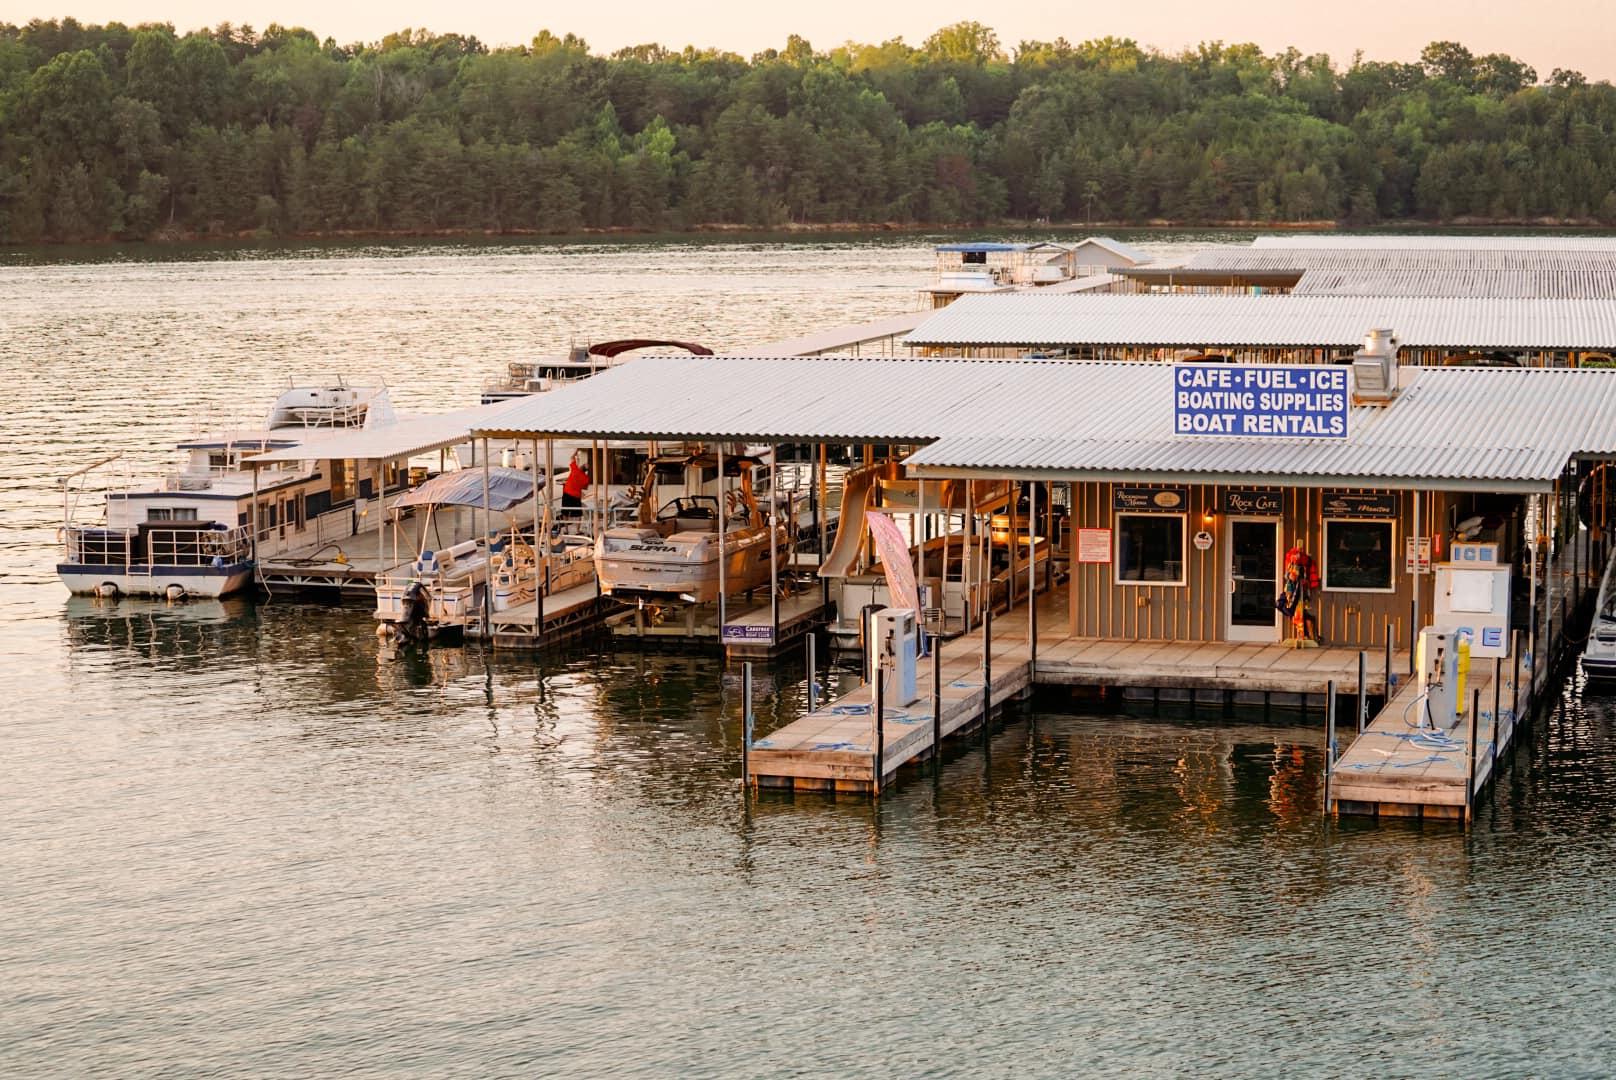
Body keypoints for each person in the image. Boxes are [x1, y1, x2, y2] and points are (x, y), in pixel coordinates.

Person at [561, 453, 591, 521]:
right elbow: (585, 488)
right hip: (576, 495)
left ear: (581, 467)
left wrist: (576, 451)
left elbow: (571, 457)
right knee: (578, 513)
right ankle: (577, 530)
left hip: (567, 493)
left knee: (565, 512)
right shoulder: (586, 478)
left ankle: (566, 530)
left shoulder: (575, 470)